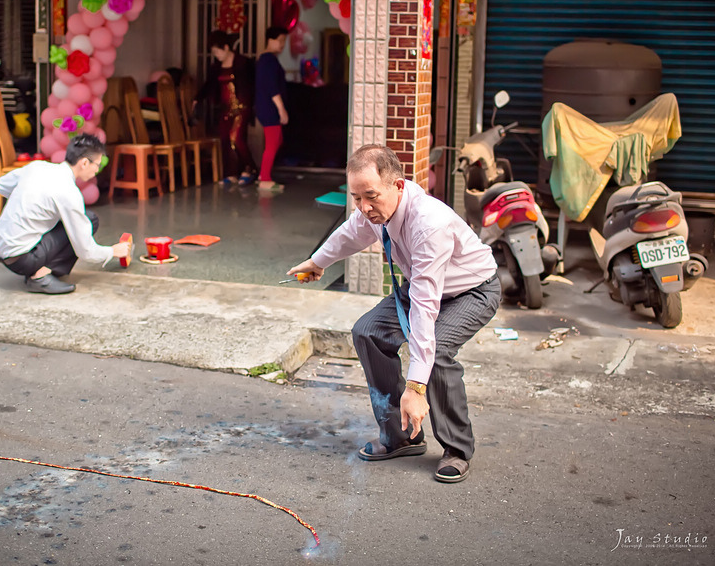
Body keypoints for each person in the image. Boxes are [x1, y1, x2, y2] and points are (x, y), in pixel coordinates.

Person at [287, 145, 500, 483]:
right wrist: (318, 262)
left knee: (437, 351)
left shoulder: (429, 224)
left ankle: (457, 448)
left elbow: (425, 307)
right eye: (356, 198)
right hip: (423, 285)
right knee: (367, 332)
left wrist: (416, 388)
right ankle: (402, 437)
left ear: (398, 186)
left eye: (370, 196)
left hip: (471, 290)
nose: (364, 207)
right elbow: (351, 232)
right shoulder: (376, 212)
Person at [0, 134, 131, 294]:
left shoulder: (37, 167)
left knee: (70, 220)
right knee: (90, 219)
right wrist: (113, 251)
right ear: (84, 163)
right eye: (97, 165)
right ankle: (39, 276)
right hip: (22, 259)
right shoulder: (69, 192)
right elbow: (85, 251)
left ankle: (38, 270)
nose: (97, 170)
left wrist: (30, 203)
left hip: (0, 249)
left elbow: (1, 185)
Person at [195, 30, 257, 186]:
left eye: (218, 51)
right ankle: (231, 173)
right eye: (214, 52)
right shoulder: (216, 67)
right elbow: (209, 85)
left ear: (226, 47)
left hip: (241, 107)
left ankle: (251, 169)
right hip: (224, 108)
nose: (217, 55)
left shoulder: (243, 63)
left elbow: (253, 83)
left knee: (236, 139)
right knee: (225, 141)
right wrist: (197, 98)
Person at [254, 26, 289, 192]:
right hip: (270, 107)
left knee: (277, 140)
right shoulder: (268, 60)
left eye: (284, 41)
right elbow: (271, 87)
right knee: (272, 142)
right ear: (270, 40)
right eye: (280, 40)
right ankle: (265, 179)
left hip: (266, 106)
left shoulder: (266, 59)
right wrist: (281, 109)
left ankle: (263, 174)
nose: (282, 44)